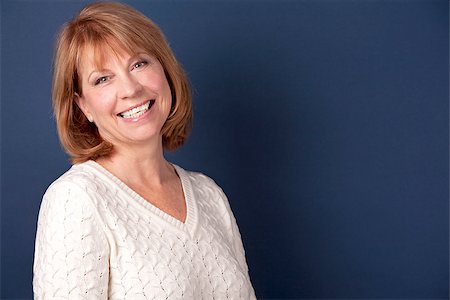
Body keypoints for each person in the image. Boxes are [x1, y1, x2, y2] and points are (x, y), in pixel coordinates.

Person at [32, 2, 256, 299]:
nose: (130, 89)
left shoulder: (209, 195)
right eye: (103, 79)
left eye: (139, 64)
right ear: (83, 105)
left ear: (164, 69)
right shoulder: (76, 200)